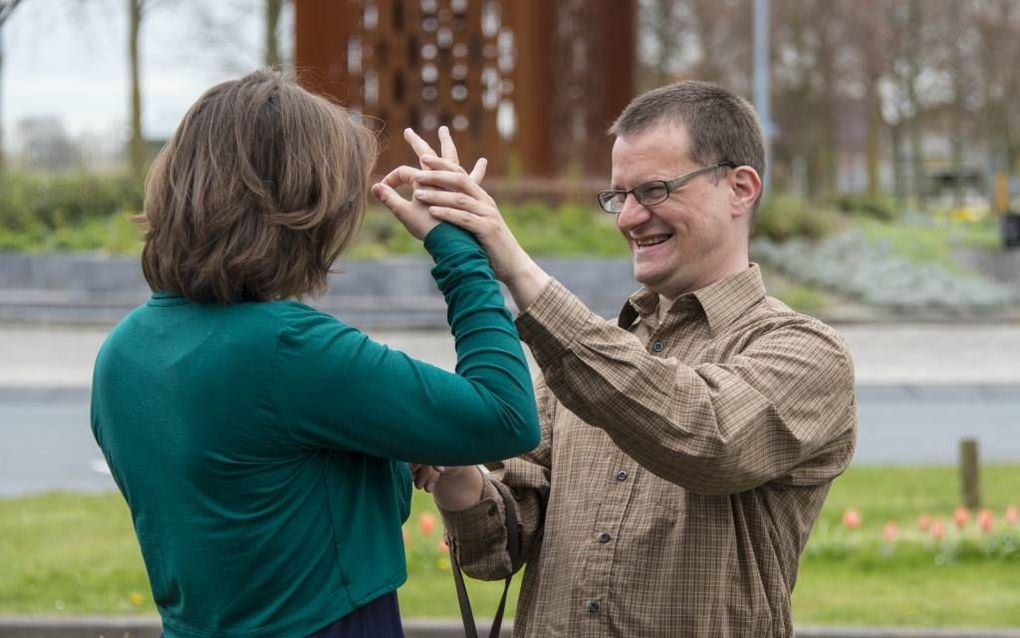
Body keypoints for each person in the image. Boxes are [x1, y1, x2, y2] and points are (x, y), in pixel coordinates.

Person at [380, 81, 857, 636]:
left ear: (740, 188)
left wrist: (513, 264)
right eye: (618, 196)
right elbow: (498, 552)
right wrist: (455, 469)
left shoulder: (806, 352)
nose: (629, 218)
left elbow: (706, 438)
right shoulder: (588, 356)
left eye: (654, 190)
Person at [89, 70, 540, 638]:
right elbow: (506, 415)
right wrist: (461, 253)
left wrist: (384, 457)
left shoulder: (123, 352)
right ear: (300, 207)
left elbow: (262, 500)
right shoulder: (288, 348)